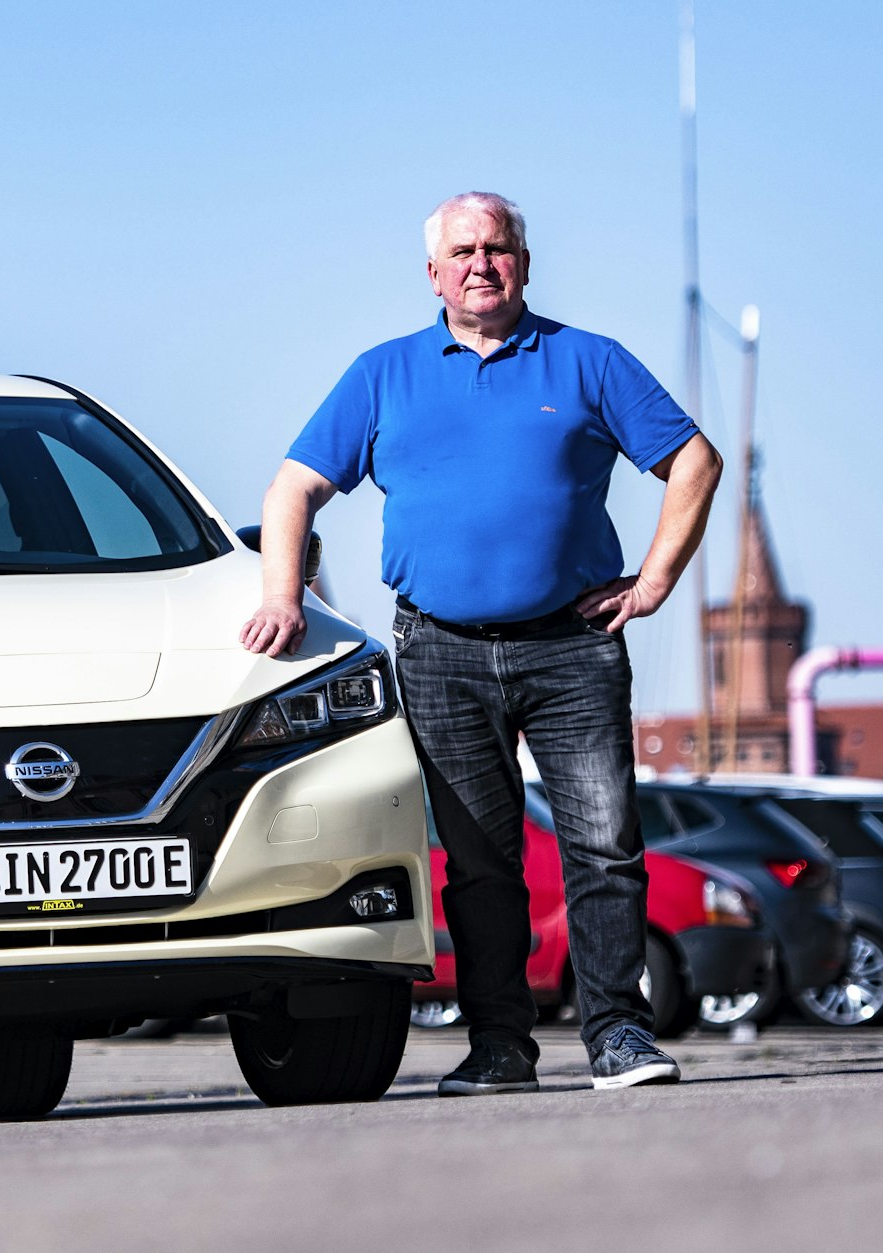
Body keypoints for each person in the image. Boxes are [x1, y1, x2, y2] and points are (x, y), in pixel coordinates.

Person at [240, 192, 723, 1093]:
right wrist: (283, 596)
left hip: (572, 646)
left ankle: (620, 1035)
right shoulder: (383, 374)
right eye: (462, 252)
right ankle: (500, 1046)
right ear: (434, 274)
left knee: (604, 844)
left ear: (524, 264)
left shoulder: (589, 360)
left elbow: (693, 459)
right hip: (440, 651)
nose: (481, 264)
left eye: (497, 248)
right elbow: (292, 489)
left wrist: (654, 579)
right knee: (479, 861)